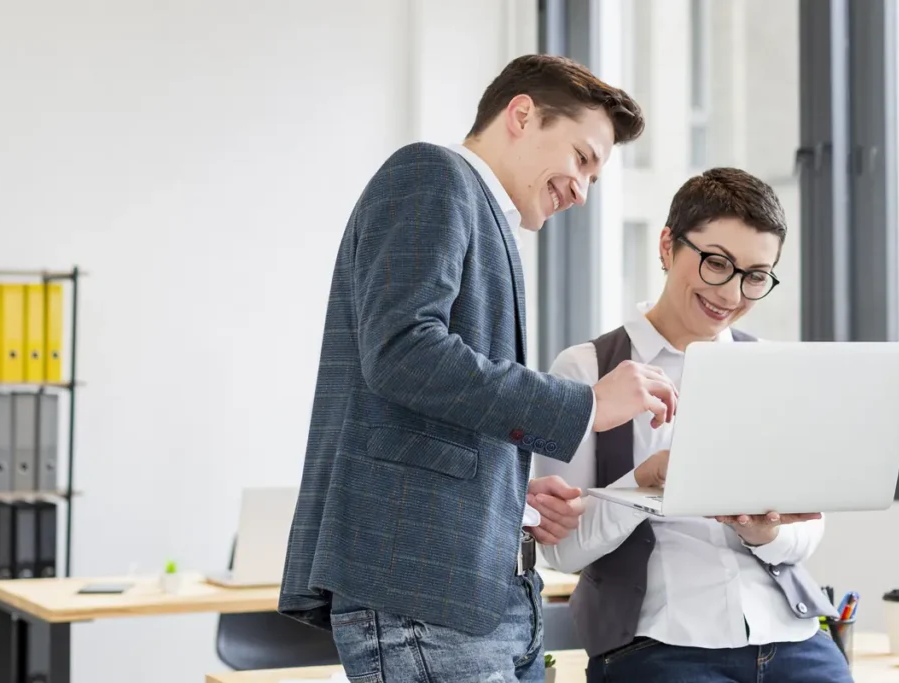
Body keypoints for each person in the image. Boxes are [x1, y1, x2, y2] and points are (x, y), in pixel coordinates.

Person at [279, 55, 680, 683]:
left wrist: (507, 496)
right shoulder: (431, 174)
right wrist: (589, 406)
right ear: (522, 114)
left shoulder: (482, 212)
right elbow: (404, 352)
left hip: (481, 595)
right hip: (424, 585)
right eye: (580, 158)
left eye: (594, 179)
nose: (580, 189)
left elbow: (432, 410)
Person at [534, 168, 854, 683]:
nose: (731, 293)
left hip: (792, 637)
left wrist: (765, 532)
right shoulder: (586, 370)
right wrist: (645, 480)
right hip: (660, 644)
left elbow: (809, 528)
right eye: (716, 263)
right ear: (667, 246)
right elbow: (562, 550)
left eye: (754, 275)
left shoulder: (771, 367)